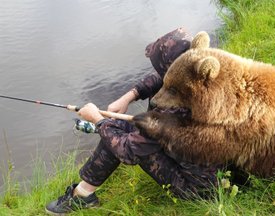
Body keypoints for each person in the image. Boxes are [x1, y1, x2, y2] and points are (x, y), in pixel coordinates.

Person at [45, 28, 222, 215]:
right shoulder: (203, 77)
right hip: (219, 172)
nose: (160, 74)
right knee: (121, 129)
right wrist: (129, 96)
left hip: (198, 190)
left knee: (119, 132)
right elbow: (160, 78)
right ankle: (84, 192)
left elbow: (127, 151)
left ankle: (82, 197)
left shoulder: (172, 110)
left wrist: (98, 120)